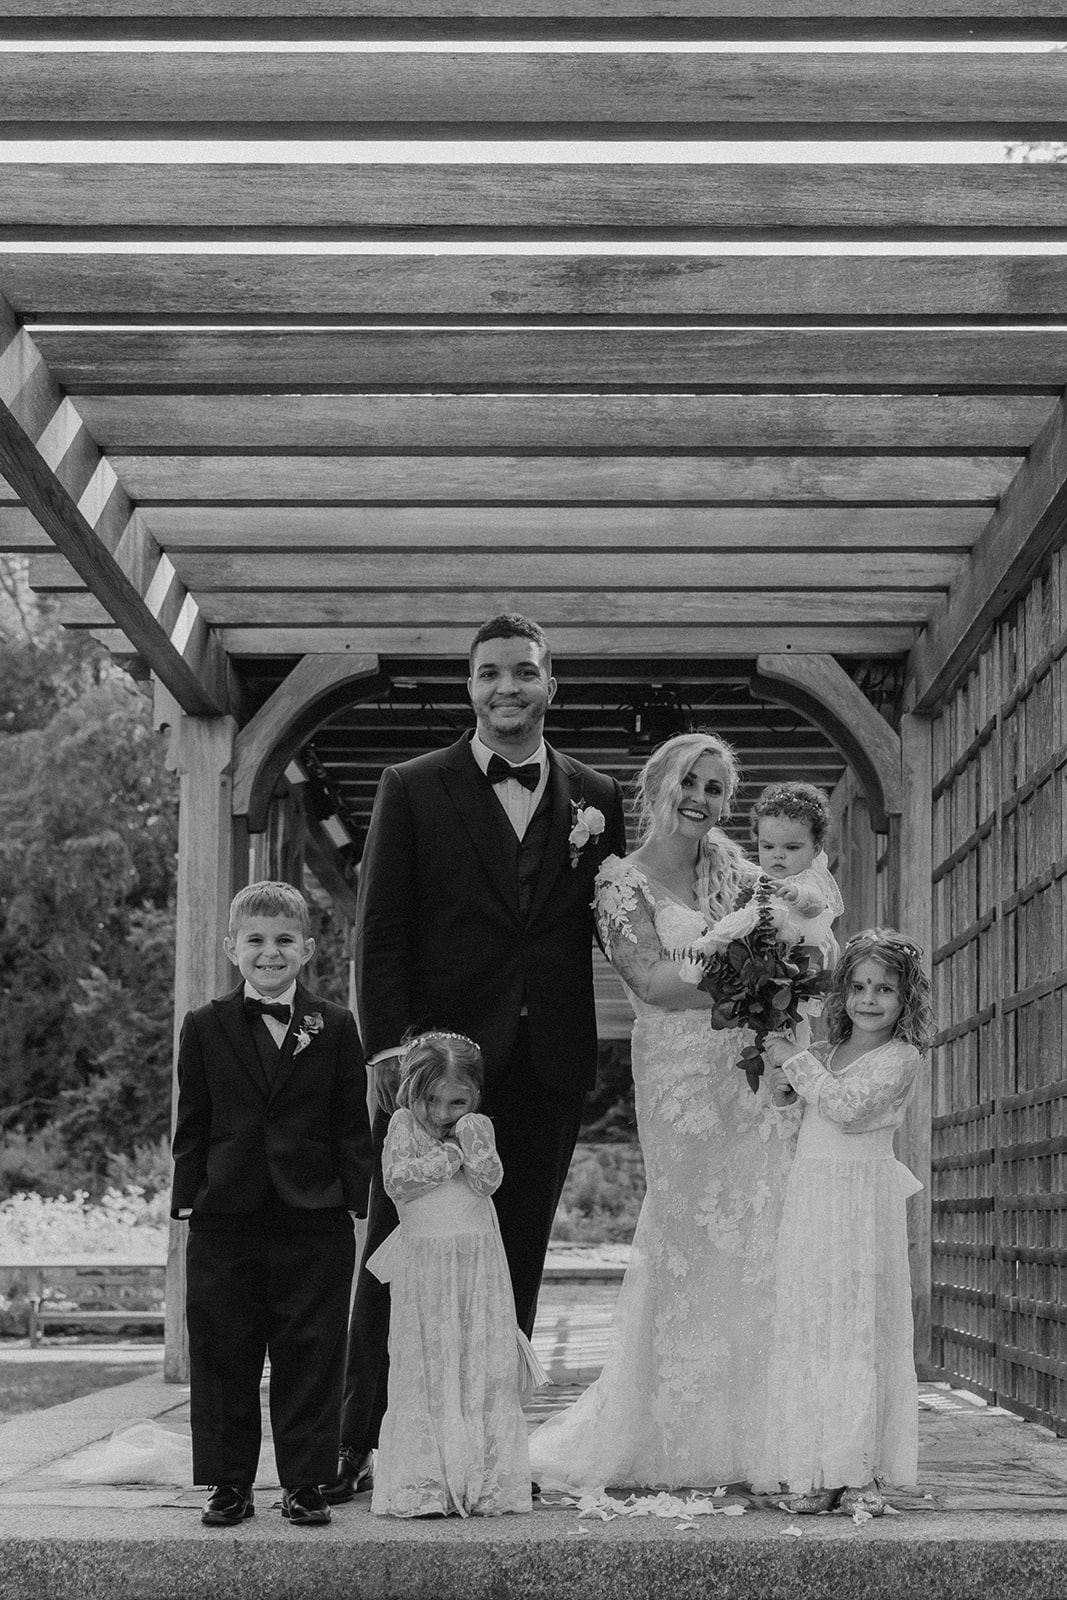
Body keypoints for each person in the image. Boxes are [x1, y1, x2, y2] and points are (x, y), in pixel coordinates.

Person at [323, 613, 627, 1503]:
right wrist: (389, 1052)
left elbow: (625, 923)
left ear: (548, 686)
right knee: (395, 1251)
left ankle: (491, 1441)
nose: (507, 688)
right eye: (490, 673)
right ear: (470, 687)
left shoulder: (597, 794)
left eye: (523, 673)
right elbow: (377, 932)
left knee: (516, 1253)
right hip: (435, 1071)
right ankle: (359, 1439)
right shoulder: (412, 786)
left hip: (549, 1059)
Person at [528, 731, 799, 1494]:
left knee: (757, 1232)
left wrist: (784, 976)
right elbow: (648, 980)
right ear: (656, 787)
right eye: (690, 781)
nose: (701, 798)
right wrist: (753, 982)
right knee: (686, 1228)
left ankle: (758, 1425)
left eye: (716, 788)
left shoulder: (742, 875)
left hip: (747, 1076)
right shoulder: (619, 881)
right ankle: (674, 1429)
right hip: (679, 1078)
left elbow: (799, 935)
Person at [170, 880, 373, 1528]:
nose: (269, 951)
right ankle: (228, 1484)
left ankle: (305, 1484)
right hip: (224, 1212)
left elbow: (351, 1123)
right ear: (233, 948)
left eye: (284, 939)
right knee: (223, 1349)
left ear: (307, 948)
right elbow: (193, 1119)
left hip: (312, 1213)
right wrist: (184, 1197)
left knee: (310, 1351)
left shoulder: (336, 1026)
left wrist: (356, 1198)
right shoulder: (203, 1026)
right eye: (254, 940)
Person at [761, 928, 936, 1517]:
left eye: (884, 989)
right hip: (814, 1199)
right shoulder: (829, 1053)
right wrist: (782, 1088)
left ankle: (860, 1468)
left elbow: (845, 1107)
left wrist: (799, 1065)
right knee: (814, 1327)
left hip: (859, 1207)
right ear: (843, 994)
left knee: (859, 1326)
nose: (869, 999)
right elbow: (798, 1126)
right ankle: (814, 1466)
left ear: (905, 999)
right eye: (859, 986)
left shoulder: (900, 1058)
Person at [368, 1031, 534, 1518]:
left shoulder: (476, 1125)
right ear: (409, 1093)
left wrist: (470, 1138)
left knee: (475, 1360)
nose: (443, 1112)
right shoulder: (401, 1125)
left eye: (457, 1101)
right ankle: (425, 1480)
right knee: (428, 1361)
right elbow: (399, 1182)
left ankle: (481, 1478)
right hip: (425, 1270)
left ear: (476, 1096)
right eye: (431, 1100)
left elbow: (489, 1180)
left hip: (477, 1269)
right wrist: (450, 1154)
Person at [750, 781, 844, 973]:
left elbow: (816, 902)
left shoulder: (808, 879)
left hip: (806, 950)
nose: (778, 855)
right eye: (768, 846)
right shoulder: (760, 877)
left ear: (815, 850)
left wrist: (797, 894)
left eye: (791, 847)